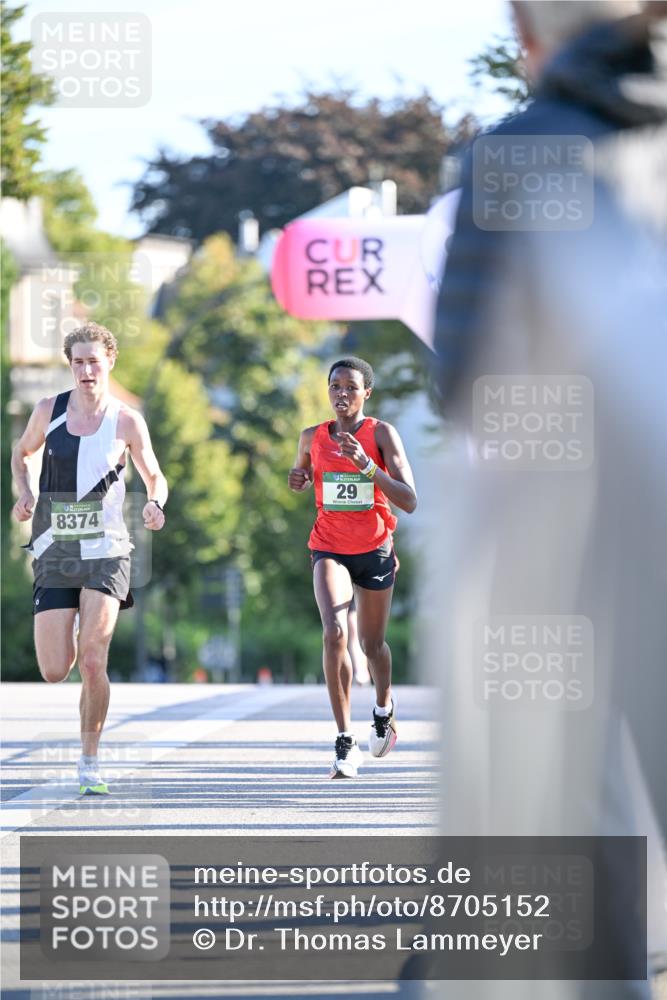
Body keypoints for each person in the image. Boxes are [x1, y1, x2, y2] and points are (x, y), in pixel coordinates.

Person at [11, 321, 168, 795]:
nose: (85, 370)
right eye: (77, 362)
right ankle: (73, 623)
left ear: (110, 362)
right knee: (55, 669)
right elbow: (21, 454)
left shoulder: (126, 420)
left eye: (93, 361)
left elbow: (155, 474)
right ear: (70, 366)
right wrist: (25, 493)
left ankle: (89, 761)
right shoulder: (48, 411)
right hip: (55, 550)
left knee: (93, 661)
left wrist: (156, 502)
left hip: (107, 553)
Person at [288, 356, 417, 778]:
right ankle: (345, 740)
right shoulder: (311, 436)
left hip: (375, 548)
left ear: (367, 393)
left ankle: (383, 707)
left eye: (350, 387)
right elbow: (303, 471)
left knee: (372, 646)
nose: (342, 394)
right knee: (334, 632)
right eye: (335, 387)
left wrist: (367, 466)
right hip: (329, 547)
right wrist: (299, 477)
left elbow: (409, 499)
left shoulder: (381, 434)